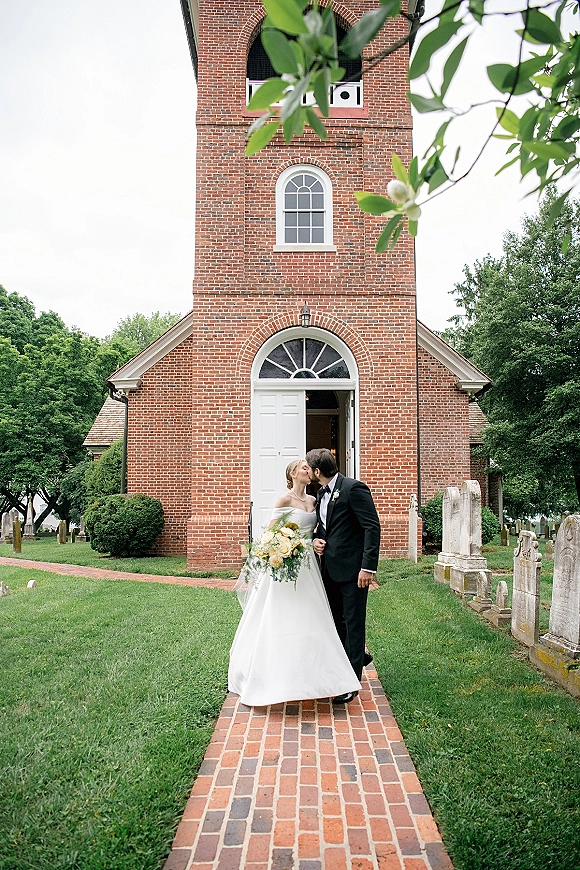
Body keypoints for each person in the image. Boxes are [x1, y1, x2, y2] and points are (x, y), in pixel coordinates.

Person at [228, 459, 361, 707]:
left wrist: (317, 542)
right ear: (292, 473)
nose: (308, 469)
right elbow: (270, 535)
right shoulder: (284, 500)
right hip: (287, 564)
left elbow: (320, 531)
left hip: (310, 566)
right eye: (303, 466)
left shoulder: (314, 500)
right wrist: (285, 548)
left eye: (308, 467)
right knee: (283, 616)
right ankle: (275, 674)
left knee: (313, 616)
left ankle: (318, 674)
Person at [306, 448, 381, 704]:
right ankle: (355, 655)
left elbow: (371, 526)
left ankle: (350, 681)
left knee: (353, 622)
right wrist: (317, 540)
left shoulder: (354, 488)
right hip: (328, 568)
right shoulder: (319, 493)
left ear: (317, 471)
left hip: (353, 571)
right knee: (336, 621)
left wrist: (368, 567)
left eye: (309, 469)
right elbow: (324, 528)